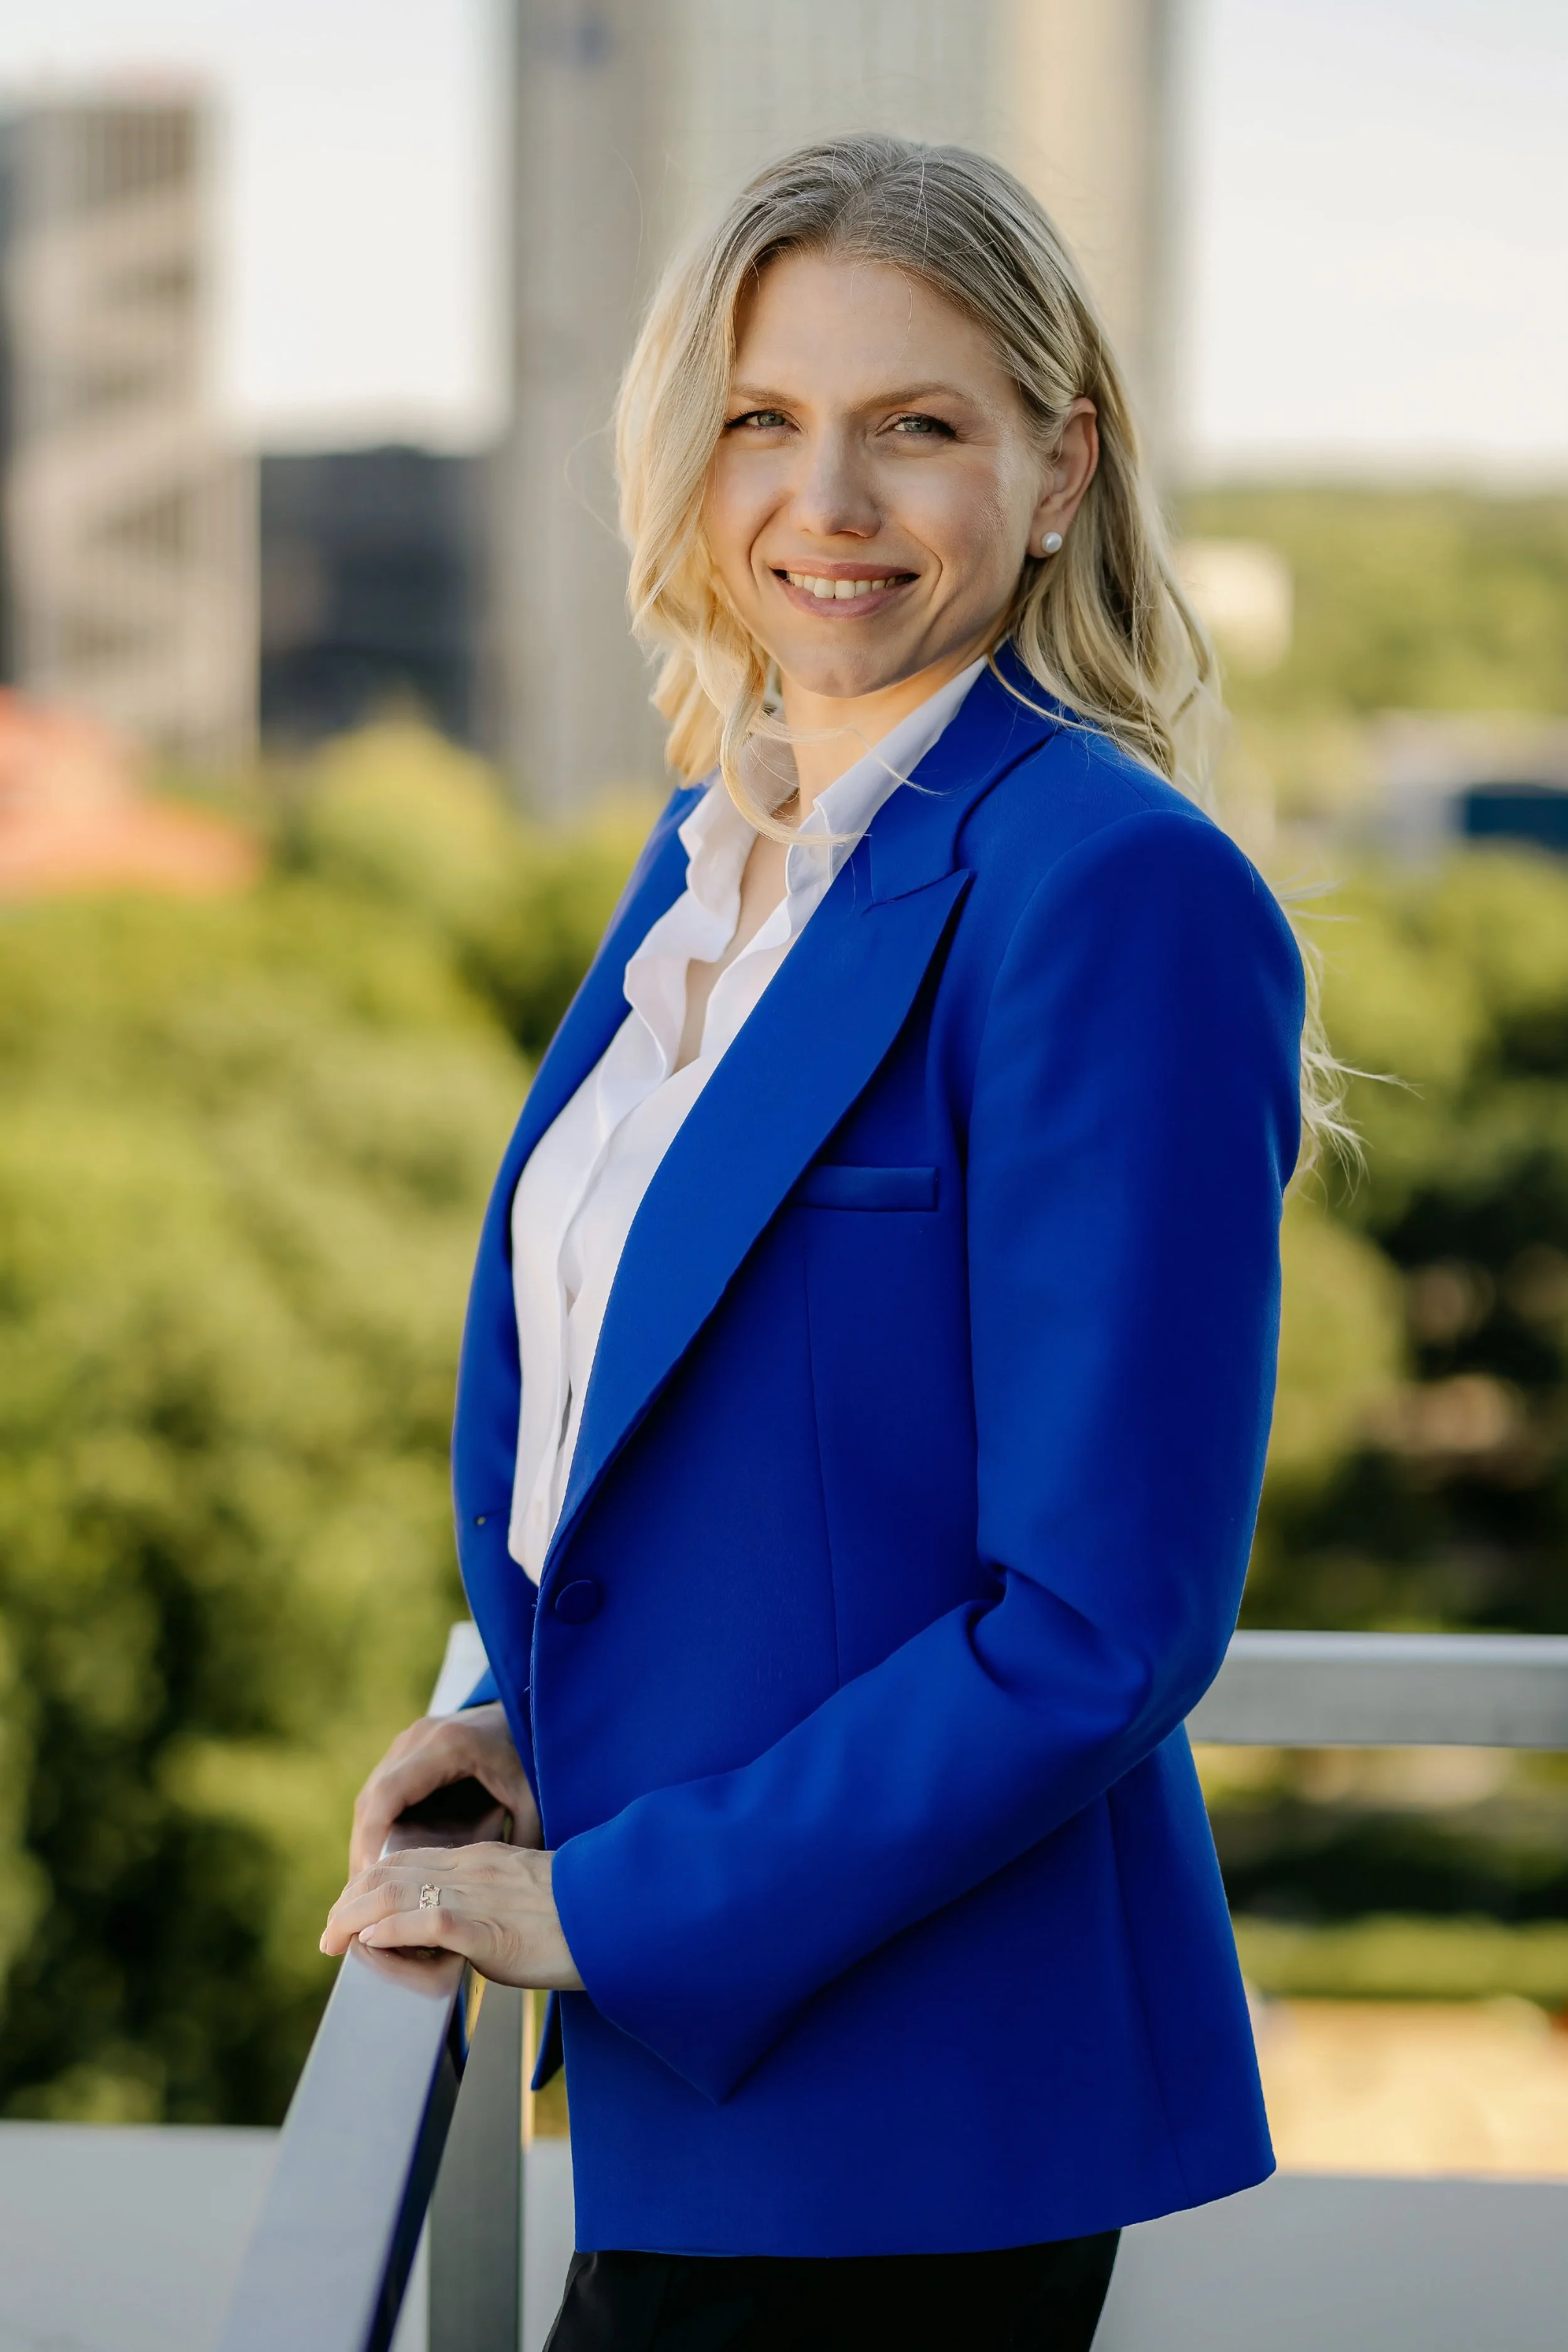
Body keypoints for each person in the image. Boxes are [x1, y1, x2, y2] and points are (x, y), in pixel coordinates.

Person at [323, 136, 1332, 2351]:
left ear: (1056, 470)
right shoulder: (710, 870)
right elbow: (700, 1437)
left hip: (909, 2107)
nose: (830, 500)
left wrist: (602, 1899)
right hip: (715, 2076)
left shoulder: (1109, 892)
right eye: (763, 422)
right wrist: (530, 1722)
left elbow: (1093, 1624)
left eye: (919, 425)